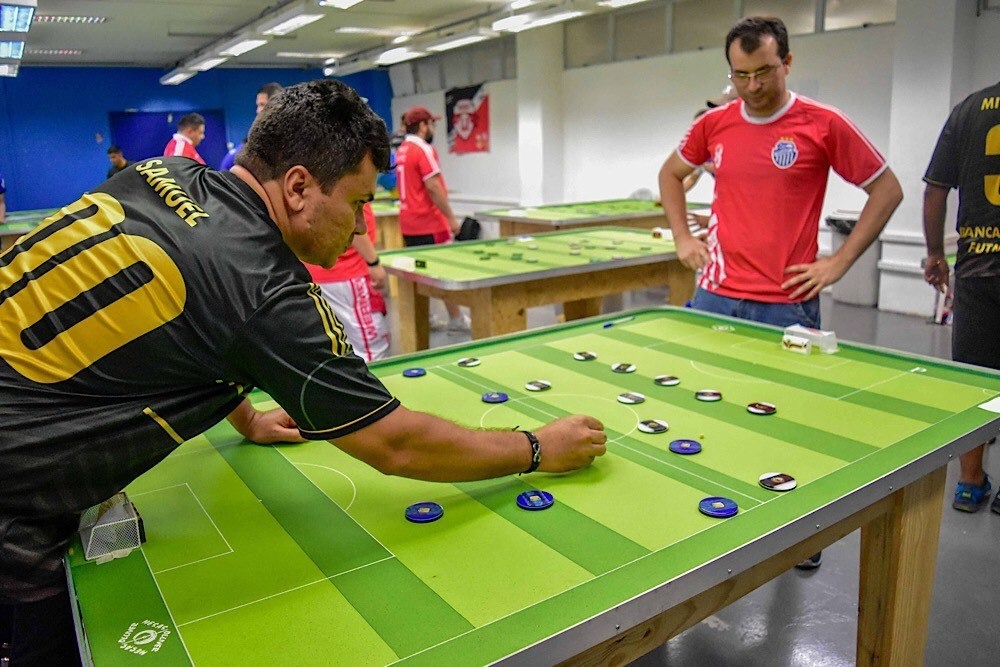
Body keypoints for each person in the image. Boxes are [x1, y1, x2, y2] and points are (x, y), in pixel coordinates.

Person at [0, 79, 606, 664]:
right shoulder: (266, 290)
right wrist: (535, 448)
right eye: (359, 201)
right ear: (297, 187)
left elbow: (184, 327)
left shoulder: (162, 174)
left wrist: (246, 416)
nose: (362, 226)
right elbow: (394, 444)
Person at [658, 16, 903, 568]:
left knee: (787, 422)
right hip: (715, 296)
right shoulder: (714, 126)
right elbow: (670, 175)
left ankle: (797, 535)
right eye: (740, 74)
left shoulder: (823, 123)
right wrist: (680, 238)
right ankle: (705, 514)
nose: (752, 86)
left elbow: (887, 188)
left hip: (787, 303)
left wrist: (839, 260)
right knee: (704, 409)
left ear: (787, 63)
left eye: (764, 71)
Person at [922, 79, 1000, 513]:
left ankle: (970, 482)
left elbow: (936, 188)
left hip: (977, 269)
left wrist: (936, 254)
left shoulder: (969, 109)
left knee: (975, 381)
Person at [395, 105, 469, 333]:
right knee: (443, 271)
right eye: (431, 124)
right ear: (423, 126)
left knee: (419, 273)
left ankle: (425, 317)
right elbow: (434, 187)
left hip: (409, 223)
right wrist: (452, 220)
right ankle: (456, 319)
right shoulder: (423, 149)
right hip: (429, 222)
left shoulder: (402, 151)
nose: (433, 128)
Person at [306, 202, 391, 362]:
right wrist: (373, 262)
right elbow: (349, 219)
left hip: (321, 272)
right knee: (371, 349)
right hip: (347, 273)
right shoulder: (347, 180)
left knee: (335, 345)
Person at [220, 82, 283, 171]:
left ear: (276, 105)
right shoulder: (255, 139)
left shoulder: (286, 138)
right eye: (258, 105)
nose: (258, 110)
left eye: (262, 104)